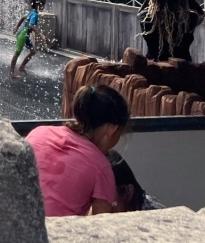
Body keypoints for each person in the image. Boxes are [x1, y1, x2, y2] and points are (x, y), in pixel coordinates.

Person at [26, 85, 130, 217]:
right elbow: (99, 224)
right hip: (50, 234)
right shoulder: (101, 167)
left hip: (9, 225)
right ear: (112, 130)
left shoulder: (38, 133)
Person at [138, 0, 204, 62]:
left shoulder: (148, 19)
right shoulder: (188, 19)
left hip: (155, 65)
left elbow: (139, 13)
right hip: (182, 67)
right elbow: (201, 14)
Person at [10, 0, 44, 79]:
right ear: (37, 5)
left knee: (33, 51)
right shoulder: (34, 14)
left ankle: (21, 67)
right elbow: (31, 26)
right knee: (17, 53)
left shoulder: (32, 12)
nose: (43, 7)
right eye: (42, 5)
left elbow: (22, 18)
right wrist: (40, 34)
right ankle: (11, 72)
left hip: (25, 35)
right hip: (23, 35)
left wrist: (16, 27)